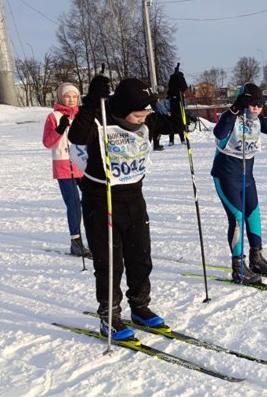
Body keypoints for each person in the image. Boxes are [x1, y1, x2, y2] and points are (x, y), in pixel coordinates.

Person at [68, 73, 170, 340]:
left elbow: (177, 125)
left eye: (145, 116)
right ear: (124, 111)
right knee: (109, 263)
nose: (142, 121)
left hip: (134, 197)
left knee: (140, 257)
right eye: (137, 116)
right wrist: (90, 100)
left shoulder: (145, 120)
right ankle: (110, 316)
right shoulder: (100, 118)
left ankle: (140, 306)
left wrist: (177, 97)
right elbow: (76, 135)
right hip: (102, 200)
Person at [211, 83, 267, 284]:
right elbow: (219, 132)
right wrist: (234, 108)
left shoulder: (257, 119)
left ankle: (256, 258)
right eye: (251, 104)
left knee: (253, 214)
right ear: (243, 103)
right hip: (226, 175)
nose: (256, 108)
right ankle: (238, 267)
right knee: (237, 218)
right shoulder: (231, 118)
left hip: (247, 177)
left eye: (259, 104)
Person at [41, 82, 91, 257]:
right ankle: (76, 242)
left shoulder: (82, 115)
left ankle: (95, 237)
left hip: (84, 163)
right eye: (68, 96)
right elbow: (47, 142)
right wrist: (60, 129)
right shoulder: (53, 116)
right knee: (74, 204)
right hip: (64, 164)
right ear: (61, 97)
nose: (71, 100)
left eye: (75, 96)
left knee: (93, 201)